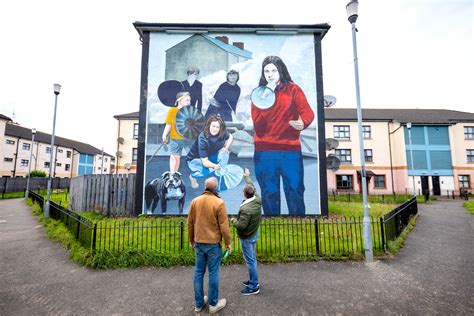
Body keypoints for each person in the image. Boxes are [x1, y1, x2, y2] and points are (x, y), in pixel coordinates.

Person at [251, 56, 315, 215]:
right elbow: (258, 127)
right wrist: (266, 97)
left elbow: (308, 113)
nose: (270, 74)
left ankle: (298, 224)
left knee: (295, 188)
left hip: (290, 150)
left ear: (281, 70)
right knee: (269, 191)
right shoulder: (258, 95)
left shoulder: (293, 89)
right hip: (264, 151)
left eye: (273, 70)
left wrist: (303, 122)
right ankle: (274, 226)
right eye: (266, 71)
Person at [187, 177, 232, 314]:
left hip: (199, 242)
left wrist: (191, 239)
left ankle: (199, 304)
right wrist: (228, 243)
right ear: (216, 188)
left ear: (205, 186)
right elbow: (224, 226)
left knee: (198, 272)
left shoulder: (195, 201)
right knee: (213, 272)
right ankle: (213, 304)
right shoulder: (219, 202)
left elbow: (190, 223)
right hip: (213, 244)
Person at [230, 168, 262, 295]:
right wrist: (247, 176)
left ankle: (254, 286)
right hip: (253, 233)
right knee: (252, 259)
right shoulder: (257, 199)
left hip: (247, 237)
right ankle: (253, 280)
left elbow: (242, 226)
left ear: (244, 194)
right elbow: (252, 186)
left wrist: (233, 221)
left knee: (250, 261)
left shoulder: (247, 209)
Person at [186, 115, 233, 189]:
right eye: (213, 126)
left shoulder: (222, 133)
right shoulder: (203, 138)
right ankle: (192, 176)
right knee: (206, 172)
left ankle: (220, 175)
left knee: (225, 153)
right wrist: (214, 166)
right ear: (209, 126)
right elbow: (204, 161)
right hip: (196, 159)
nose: (215, 129)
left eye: (217, 127)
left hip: (212, 155)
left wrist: (226, 147)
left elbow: (230, 137)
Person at [162, 92, 193, 173]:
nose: (188, 102)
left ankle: (192, 175)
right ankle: (173, 173)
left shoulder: (190, 111)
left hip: (188, 139)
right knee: (175, 157)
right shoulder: (172, 111)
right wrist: (164, 134)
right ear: (179, 100)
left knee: (193, 158)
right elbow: (169, 124)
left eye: (189, 100)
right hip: (175, 138)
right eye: (186, 100)